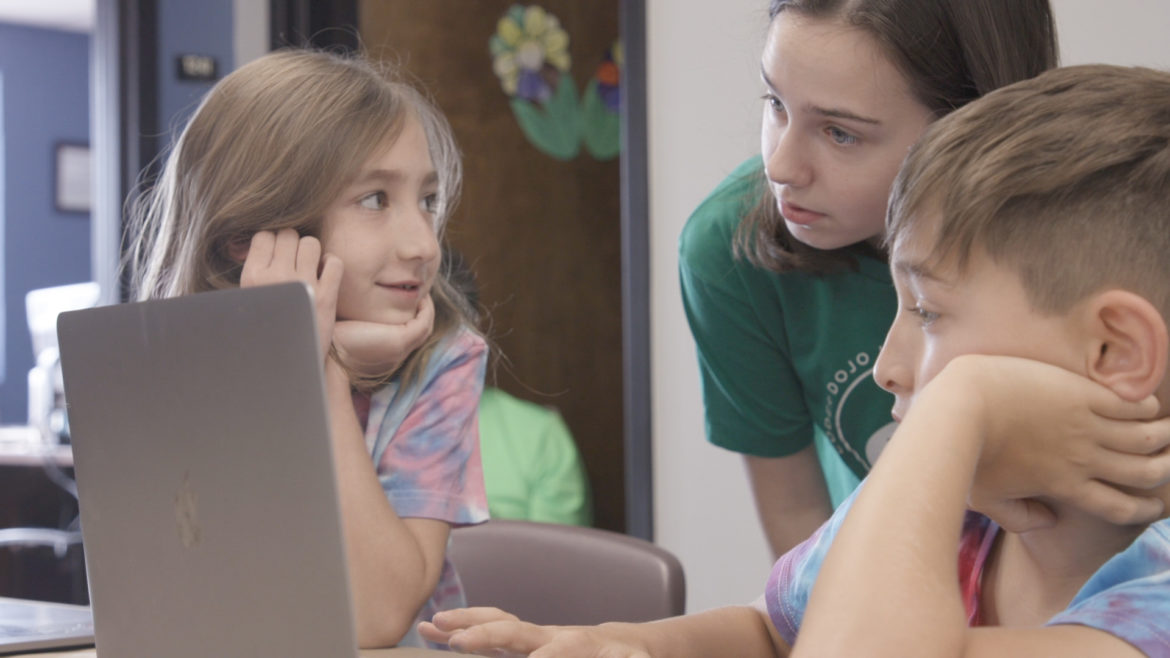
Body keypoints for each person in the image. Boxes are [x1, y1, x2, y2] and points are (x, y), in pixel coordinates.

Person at [418, 64, 1170, 657]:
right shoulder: (960, 522)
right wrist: (636, 644)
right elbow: (773, 633)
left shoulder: (1156, 597)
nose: (886, 367)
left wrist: (960, 405)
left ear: (1114, 352)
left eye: (931, 312)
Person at [125, 49, 489, 649]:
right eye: (375, 199)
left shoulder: (444, 360)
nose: (425, 243)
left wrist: (318, 367)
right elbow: (152, 593)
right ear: (255, 238)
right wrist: (268, 354)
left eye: (427, 200)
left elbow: (376, 617)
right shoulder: (176, 360)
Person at [678, 0, 1058, 557]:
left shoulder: (1089, 239)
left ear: (973, 122)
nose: (781, 168)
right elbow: (796, 524)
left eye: (840, 134)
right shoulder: (728, 253)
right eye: (776, 103)